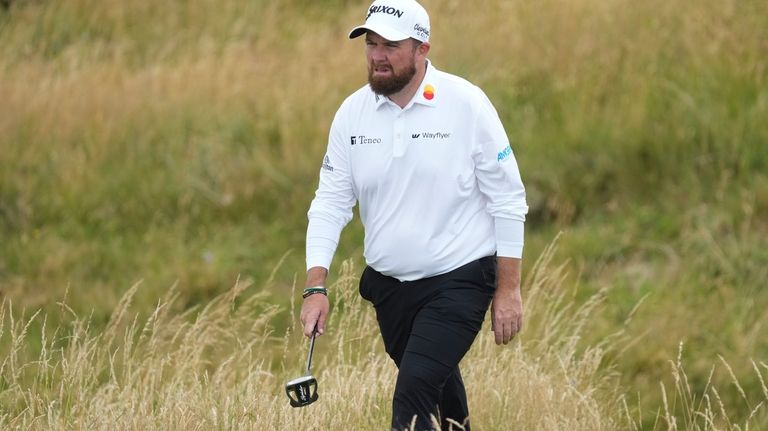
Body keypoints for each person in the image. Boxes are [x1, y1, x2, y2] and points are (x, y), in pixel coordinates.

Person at [299, 0, 528, 429]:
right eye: (371, 44)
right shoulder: (352, 114)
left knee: (414, 389)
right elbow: (329, 202)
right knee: (440, 394)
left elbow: (508, 198)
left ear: (422, 48)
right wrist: (316, 287)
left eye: (391, 45)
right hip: (390, 290)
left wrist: (509, 289)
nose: (377, 56)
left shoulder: (466, 104)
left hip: (459, 279)